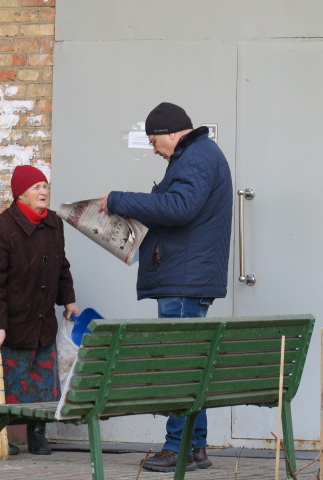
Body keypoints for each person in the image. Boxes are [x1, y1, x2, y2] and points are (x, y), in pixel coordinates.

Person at [98, 102, 233, 473]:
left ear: (172, 134)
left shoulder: (195, 158)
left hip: (183, 279)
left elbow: (178, 207)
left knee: (180, 366)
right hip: (187, 275)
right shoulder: (199, 155)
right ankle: (197, 447)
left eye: (154, 141)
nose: (154, 149)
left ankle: (177, 448)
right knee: (192, 365)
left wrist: (117, 200)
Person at [0, 165, 80, 456]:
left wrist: (68, 301)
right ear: (21, 193)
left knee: (43, 384)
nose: (44, 192)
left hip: (41, 321)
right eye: (37, 187)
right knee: (2, 384)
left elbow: (62, 266)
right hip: (7, 324)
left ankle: (37, 434)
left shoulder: (54, 224)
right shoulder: (3, 228)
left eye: (45, 186)